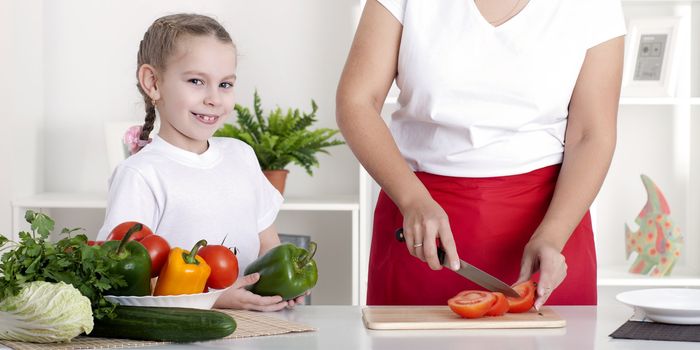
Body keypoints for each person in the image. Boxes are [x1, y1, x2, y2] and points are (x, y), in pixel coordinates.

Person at [336, 0, 625, 308]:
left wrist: (553, 235)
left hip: (551, 226)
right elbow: (356, 102)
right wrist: (412, 200)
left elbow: (591, 134)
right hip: (422, 225)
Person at [96, 13, 307, 311]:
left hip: (257, 327)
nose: (213, 98)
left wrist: (284, 284)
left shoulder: (241, 155)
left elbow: (268, 244)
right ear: (153, 82)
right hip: (182, 332)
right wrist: (216, 298)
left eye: (225, 84)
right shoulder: (140, 174)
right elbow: (124, 277)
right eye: (196, 81)